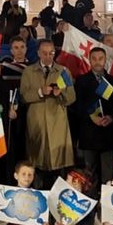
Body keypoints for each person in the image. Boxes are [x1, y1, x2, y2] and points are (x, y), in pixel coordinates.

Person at [19, 39, 76, 184]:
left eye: (51, 53)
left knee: (58, 163)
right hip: (37, 123)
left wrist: (61, 93)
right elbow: (23, 96)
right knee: (37, 161)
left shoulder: (63, 72)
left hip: (58, 123)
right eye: (44, 53)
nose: (48, 56)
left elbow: (72, 98)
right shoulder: (28, 71)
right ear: (38, 53)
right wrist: (40, 92)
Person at [73, 47, 113, 183]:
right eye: (94, 59)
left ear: (105, 60)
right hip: (89, 133)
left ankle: (106, 195)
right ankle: (91, 196)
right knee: (89, 173)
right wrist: (92, 117)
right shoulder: (81, 81)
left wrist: (111, 117)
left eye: (100, 58)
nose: (97, 62)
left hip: (109, 133)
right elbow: (77, 105)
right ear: (89, 60)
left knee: (108, 172)